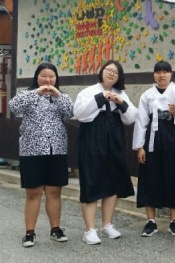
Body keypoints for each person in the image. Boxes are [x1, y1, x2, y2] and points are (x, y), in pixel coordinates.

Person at [9, 63, 74, 247]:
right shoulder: (27, 95)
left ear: (56, 79)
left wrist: (57, 95)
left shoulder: (61, 97)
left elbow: (70, 111)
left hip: (57, 150)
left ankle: (56, 229)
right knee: (34, 192)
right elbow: (14, 107)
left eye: (51, 76)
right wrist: (36, 92)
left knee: (54, 191)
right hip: (32, 150)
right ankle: (30, 232)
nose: (48, 80)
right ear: (37, 77)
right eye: (43, 76)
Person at [74, 60, 138, 245]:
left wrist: (120, 101)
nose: (111, 74)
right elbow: (80, 113)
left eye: (115, 72)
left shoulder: (121, 93)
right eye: (108, 70)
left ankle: (107, 225)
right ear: (101, 72)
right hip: (92, 140)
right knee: (92, 181)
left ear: (119, 77)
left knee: (113, 181)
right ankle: (89, 230)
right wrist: (101, 97)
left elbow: (131, 117)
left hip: (114, 141)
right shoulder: (88, 92)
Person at [133, 61, 175, 237]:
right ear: (154, 75)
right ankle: (151, 221)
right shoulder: (147, 95)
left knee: (174, 176)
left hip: (173, 137)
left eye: (165, 72)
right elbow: (141, 121)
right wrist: (140, 147)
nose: (161, 75)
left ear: (171, 74)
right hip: (152, 138)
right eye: (158, 72)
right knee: (150, 177)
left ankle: (174, 221)